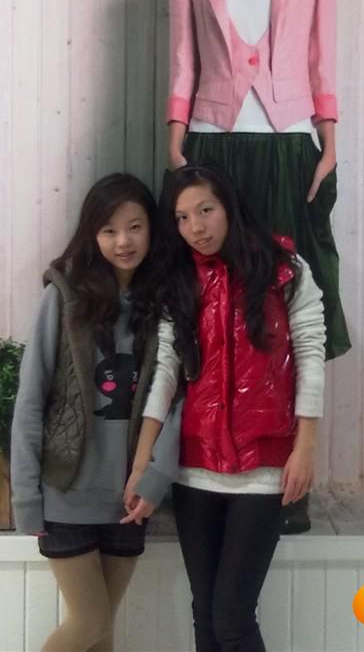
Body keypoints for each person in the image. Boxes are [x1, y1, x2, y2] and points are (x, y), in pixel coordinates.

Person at [125, 163, 326, 652]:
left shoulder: (285, 269)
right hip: (195, 470)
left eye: (205, 210)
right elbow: (166, 372)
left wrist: (304, 448)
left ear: (229, 207)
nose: (196, 227)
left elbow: (310, 353)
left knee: (233, 619)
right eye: (182, 218)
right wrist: (142, 463)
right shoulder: (179, 280)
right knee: (206, 615)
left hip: (263, 469)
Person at [165, 0, 350, 363]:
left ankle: (287, 413)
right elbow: (183, 59)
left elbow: (321, 55)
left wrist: (328, 142)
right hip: (211, 142)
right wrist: (176, 145)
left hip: (289, 142)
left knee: (287, 294)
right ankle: (215, 409)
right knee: (212, 293)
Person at [11, 173, 177, 652]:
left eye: (135, 227)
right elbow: (31, 398)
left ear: (152, 229)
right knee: (88, 625)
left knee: (101, 636)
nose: (123, 241)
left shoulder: (166, 304)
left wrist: (155, 478)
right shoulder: (64, 298)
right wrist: (24, 496)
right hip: (65, 493)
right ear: (93, 235)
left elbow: (176, 399)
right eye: (109, 230)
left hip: (129, 499)